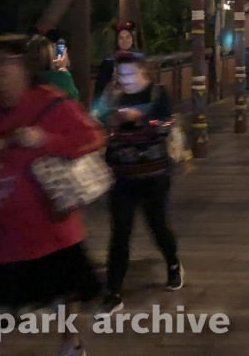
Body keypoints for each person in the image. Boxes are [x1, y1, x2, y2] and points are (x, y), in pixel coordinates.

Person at [0, 35, 106, 356]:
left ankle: (71, 346)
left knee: (64, 297)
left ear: (25, 68)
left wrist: (44, 138)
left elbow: (93, 136)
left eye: (5, 63)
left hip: (51, 233)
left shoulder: (50, 101)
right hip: (1, 239)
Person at [91, 54, 183, 314]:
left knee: (157, 224)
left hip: (154, 173)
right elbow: (95, 120)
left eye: (130, 74)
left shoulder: (157, 94)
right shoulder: (112, 97)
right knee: (120, 232)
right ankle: (113, 291)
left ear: (144, 72)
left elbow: (166, 125)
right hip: (122, 174)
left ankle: (173, 263)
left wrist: (140, 119)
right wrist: (109, 121)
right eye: (121, 75)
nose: (125, 80)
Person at [94, 23, 142, 99]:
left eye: (128, 37)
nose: (125, 41)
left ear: (132, 39)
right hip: (116, 99)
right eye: (121, 38)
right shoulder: (109, 61)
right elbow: (100, 86)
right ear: (117, 41)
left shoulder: (139, 59)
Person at [29, 34, 80, 100]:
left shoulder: (25, 77)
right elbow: (75, 100)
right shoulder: (62, 77)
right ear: (51, 55)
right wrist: (63, 69)